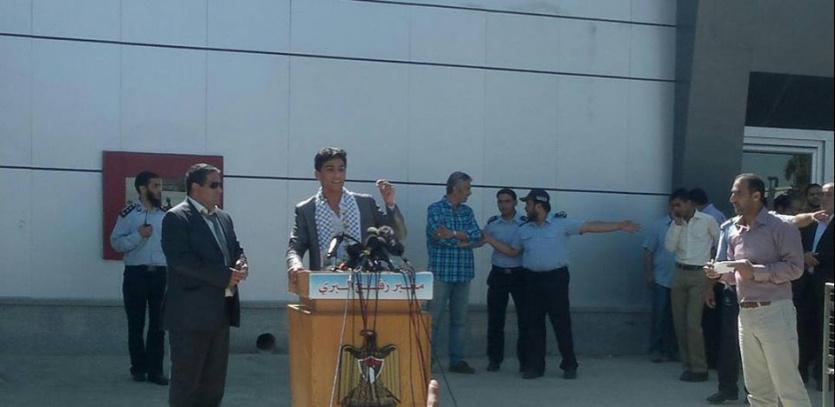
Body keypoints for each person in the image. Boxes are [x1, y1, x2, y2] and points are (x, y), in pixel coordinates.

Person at [483, 188, 640, 380]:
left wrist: (618, 225)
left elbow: (590, 226)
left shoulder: (561, 224)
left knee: (561, 323)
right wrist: (488, 239)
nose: (525, 208)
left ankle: (569, 364)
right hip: (531, 280)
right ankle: (536, 367)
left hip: (556, 279)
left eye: (528, 204)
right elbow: (512, 251)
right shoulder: (524, 229)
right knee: (534, 325)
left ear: (539, 206)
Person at [706, 173, 811, 407]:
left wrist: (755, 271)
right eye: (732, 193)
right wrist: (718, 273)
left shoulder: (781, 226)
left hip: (775, 312)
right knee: (757, 391)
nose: (732, 199)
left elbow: (795, 268)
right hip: (745, 314)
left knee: (788, 388)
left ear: (756, 196)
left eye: (737, 193)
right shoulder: (733, 230)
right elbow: (734, 276)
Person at [161, 163, 248, 407]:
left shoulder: (224, 218)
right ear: (195, 187)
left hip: (220, 313)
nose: (219, 190)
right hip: (189, 316)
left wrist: (241, 263)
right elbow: (181, 261)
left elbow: (236, 248)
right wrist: (224, 276)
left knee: (213, 385)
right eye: (214, 185)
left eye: (220, 184)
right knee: (187, 383)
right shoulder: (176, 218)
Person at [287, 147, 406, 280]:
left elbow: (398, 235)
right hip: (323, 283)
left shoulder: (365, 203)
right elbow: (295, 248)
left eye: (341, 169)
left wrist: (390, 204)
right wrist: (296, 266)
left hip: (365, 283)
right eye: (330, 170)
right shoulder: (307, 210)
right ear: (317, 174)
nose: (337, 175)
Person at [110, 171, 169, 385]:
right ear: (142, 188)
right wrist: (138, 235)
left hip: (160, 274)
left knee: (158, 324)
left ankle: (155, 371)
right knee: (136, 323)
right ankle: (138, 368)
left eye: (160, 185)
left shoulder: (166, 214)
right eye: (155, 185)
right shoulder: (129, 214)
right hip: (136, 274)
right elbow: (116, 242)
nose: (159, 190)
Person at [427, 171, 482, 374]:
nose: (470, 193)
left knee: (460, 321)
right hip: (442, 273)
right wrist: (462, 240)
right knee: (433, 320)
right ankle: (426, 360)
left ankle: (457, 361)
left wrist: (453, 234)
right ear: (455, 188)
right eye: (467, 188)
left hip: (463, 272)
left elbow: (477, 235)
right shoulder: (435, 209)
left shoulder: (467, 211)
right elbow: (438, 236)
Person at [665, 188, 720, 382]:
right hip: (680, 272)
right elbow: (669, 247)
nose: (676, 209)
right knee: (679, 322)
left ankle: (699, 368)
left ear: (689, 203)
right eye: (673, 206)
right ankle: (687, 365)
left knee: (692, 323)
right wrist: (677, 225)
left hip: (700, 274)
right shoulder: (675, 223)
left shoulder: (707, 220)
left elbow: (719, 242)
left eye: (679, 205)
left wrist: (714, 267)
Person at [480, 188, 528, 372]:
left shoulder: (525, 223)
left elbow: (514, 250)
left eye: (507, 201)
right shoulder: (493, 223)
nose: (503, 205)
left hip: (520, 274)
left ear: (515, 202)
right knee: (495, 320)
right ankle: (494, 359)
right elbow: (479, 240)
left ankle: (525, 361)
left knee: (525, 320)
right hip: (498, 274)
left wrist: (490, 240)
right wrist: (456, 238)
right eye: (500, 201)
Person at [795, 182, 833, 389]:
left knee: (825, 332)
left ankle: (823, 377)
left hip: (827, 286)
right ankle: (800, 372)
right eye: (821, 194)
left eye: (828, 195)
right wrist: (804, 256)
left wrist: (818, 259)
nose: (822, 198)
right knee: (802, 328)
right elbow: (795, 245)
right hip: (805, 285)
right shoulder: (810, 220)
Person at [643, 203, 677, 363]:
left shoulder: (689, 226)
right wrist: (649, 274)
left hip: (680, 279)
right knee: (659, 315)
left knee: (676, 317)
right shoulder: (658, 226)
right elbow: (648, 251)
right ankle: (656, 349)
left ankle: (672, 350)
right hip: (661, 278)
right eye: (675, 205)